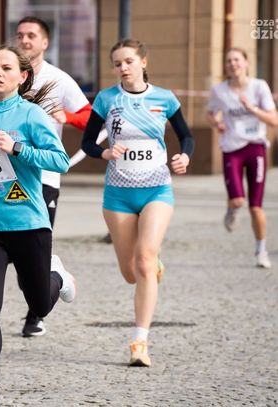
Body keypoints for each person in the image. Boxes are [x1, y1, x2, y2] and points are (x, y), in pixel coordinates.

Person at [0, 45, 76, 407]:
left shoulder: (32, 115)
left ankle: (59, 277)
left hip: (28, 225)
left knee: (40, 303)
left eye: (6, 68)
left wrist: (17, 147)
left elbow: (61, 161)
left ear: (22, 77)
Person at [0, 16, 91, 338]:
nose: (25, 40)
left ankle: (35, 313)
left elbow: (90, 117)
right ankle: (15, 304)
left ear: (45, 42)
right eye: (20, 34)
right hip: (2, 177)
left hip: (44, 176)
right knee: (7, 254)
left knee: (30, 259)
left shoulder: (60, 79)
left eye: (32, 35)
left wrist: (67, 116)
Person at [82, 39, 194, 367]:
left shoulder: (164, 98)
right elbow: (88, 142)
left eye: (129, 61)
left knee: (144, 260)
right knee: (130, 273)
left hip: (157, 189)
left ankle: (139, 342)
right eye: (117, 63)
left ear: (143, 62)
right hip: (118, 194)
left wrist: (185, 156)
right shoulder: (107, 99)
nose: (123, 68)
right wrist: (104, 152)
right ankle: (151, 266)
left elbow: (186, 136)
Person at [206, 47, 277, 269]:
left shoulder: (259, 86)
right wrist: (217, 123)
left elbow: (274, 120)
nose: (233, 64)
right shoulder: (219, 90)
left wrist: (251, 108)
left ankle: (261, 251)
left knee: (255, 207)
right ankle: (232, 209)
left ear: (246, 62)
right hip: (231, 148)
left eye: (237, 59)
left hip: (255, 147)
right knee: (237, 200)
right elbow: (210, 113)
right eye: (229, 61)